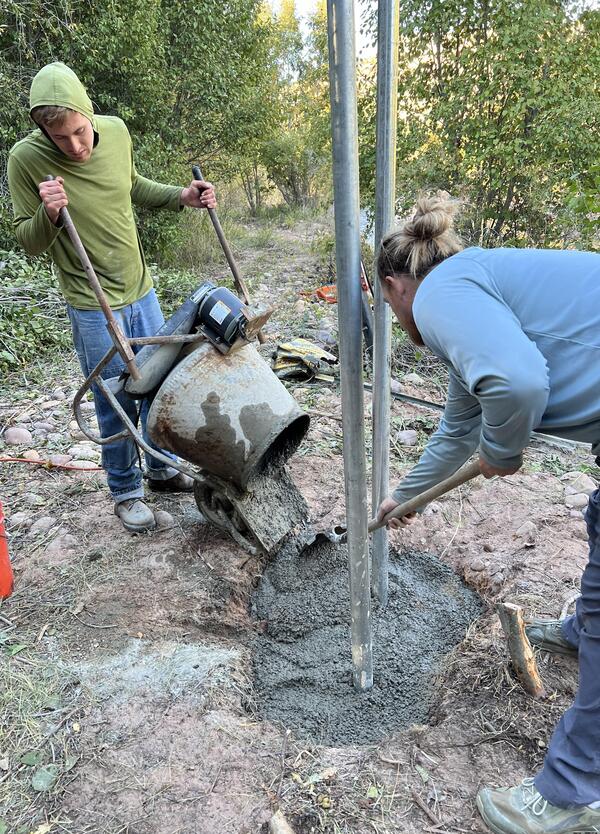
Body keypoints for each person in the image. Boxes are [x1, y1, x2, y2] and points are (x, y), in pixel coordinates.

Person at [375, 192, 600, 834]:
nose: (393, 315)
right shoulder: (470, 293)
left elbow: (518, 384)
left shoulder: (442, 298)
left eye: (387, 303)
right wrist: (404, 496)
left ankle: (573, 793)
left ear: (394, 284)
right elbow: (457, 426)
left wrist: (504, 451)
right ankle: (581, 636)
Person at [8, 62, 216, 533]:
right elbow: (28, 240)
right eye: (61, 139)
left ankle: (160, 468)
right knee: (116, 394)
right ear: (43, 130)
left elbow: (132, 186)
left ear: (90, 112)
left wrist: (181, 196)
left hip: (140, 289)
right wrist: (49, 213)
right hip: (91, 301)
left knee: (158, 381)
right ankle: (125, 489)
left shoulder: (117, 133)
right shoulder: (25, 160)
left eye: (81, 131)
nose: (76, 146)